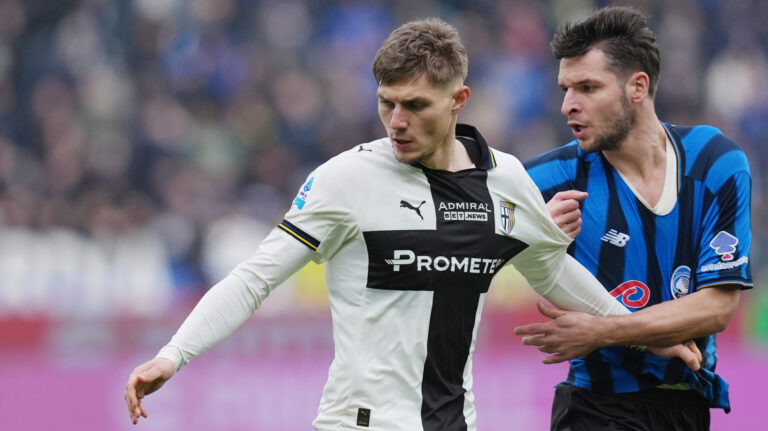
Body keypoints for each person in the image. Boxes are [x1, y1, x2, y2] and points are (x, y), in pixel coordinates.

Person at [124, 18, 695, 431]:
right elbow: (256, 278)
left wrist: (643, 331)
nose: (396, 121)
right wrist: (173, 355)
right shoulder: (347, 179)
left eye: (415, 105)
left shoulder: (506, 181)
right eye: (386, 102)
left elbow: (551, 272)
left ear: (458, 99)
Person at [515, 6, 752, 431]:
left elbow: (717, 307)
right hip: (595, 407)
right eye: (566, 89)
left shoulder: (715, 162)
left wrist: (602, 331)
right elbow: (461, 233)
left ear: (638, 87)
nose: (568, 105)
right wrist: (530, 230)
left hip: (689, 407)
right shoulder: (544, 180)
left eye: (588, 87)